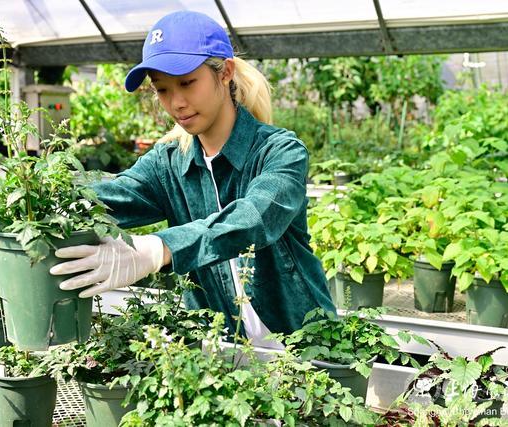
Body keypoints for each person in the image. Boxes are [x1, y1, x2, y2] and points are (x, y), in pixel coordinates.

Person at [47, 11, 336, 347]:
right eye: (163, 89)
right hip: (223, 355)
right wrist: (34, 203)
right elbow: (106, 197)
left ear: (225, 72)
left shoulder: (279, 151)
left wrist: (161, 247)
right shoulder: (169, 163)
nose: (177, 103)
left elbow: (255, 218)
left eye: (187, 83)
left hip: (305, 347)